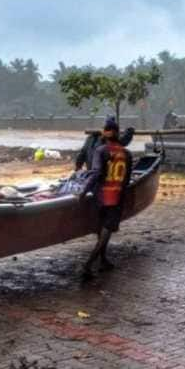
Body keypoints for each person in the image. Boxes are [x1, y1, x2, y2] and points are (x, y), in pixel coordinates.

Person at [76, 118, 133, 279]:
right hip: (116, 196)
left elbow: (96, 173)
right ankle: (89, 264)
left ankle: (98, 261)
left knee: (103, 230)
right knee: (106, 230)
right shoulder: (126, 153)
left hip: (101, 195)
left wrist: (83, 191)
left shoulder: (101, 150)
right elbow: (127, 180)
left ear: (106, 133)